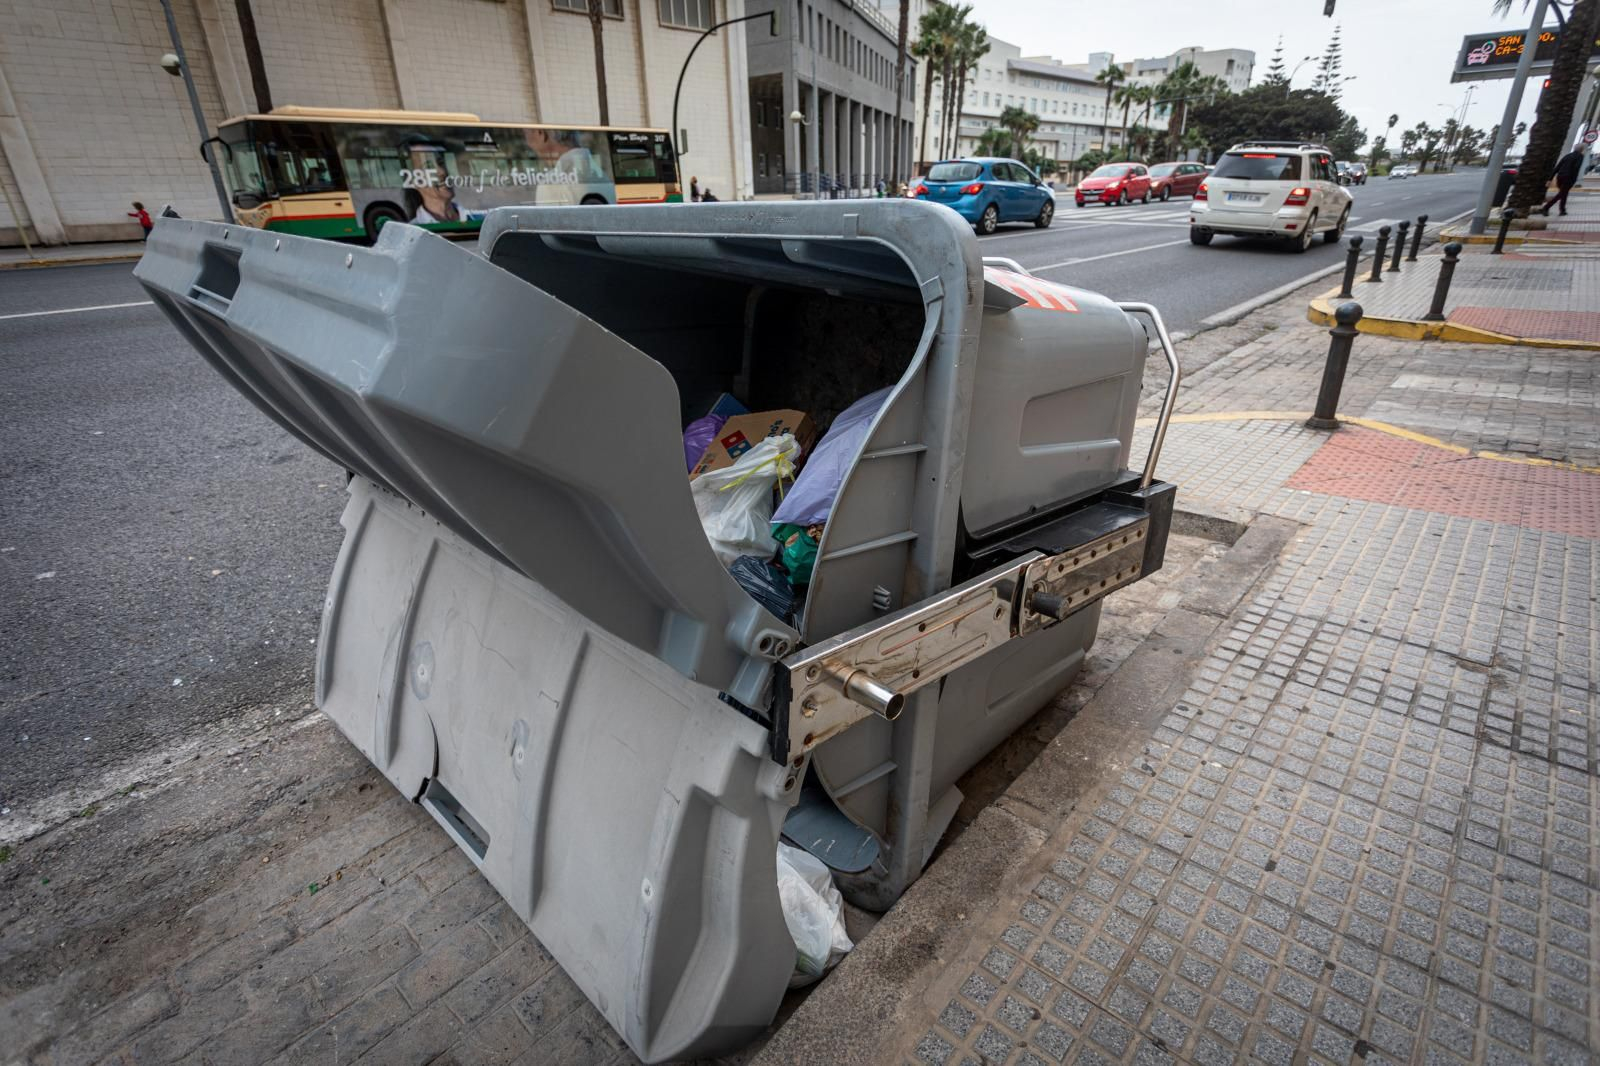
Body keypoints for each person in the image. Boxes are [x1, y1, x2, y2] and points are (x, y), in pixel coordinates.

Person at [1539, 147, 1585, 216]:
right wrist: (1574, 179)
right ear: (1582, 150)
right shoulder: (1580, 156)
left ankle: (1562, 210)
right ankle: (1546, 207)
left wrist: (1550, 179)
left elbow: (1557, 167)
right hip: (1568, 177)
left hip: (1560, 177)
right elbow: (1576, 168)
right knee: (1561, 194)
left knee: (1563, 193)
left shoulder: (1567, 156)